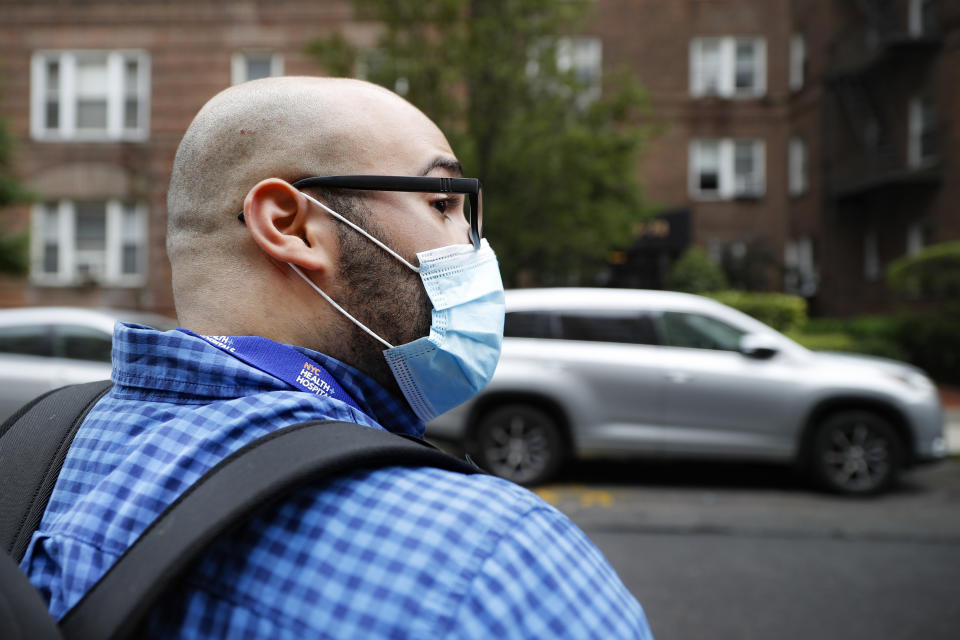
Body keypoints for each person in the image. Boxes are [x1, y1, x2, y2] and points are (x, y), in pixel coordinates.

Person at [20, 76, 653, 638]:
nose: (472, 244)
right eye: (442, 203)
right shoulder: (492, 565)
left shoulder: (24, 451)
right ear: (291, 225)